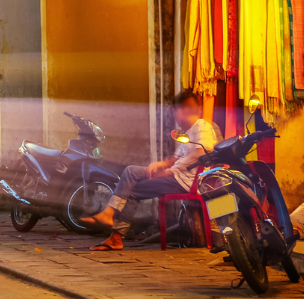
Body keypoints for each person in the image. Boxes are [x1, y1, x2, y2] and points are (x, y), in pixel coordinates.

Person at [86, 89, 218, 251]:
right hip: (175, 175)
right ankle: (109, 213)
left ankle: (115, 234)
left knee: (134, 190)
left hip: (184, 181)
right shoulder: (186, 133)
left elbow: (202, 152)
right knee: (131, 171)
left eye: (176, 111)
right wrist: (160, 165)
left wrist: (171, 170)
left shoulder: (201, 126)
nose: (176, 117)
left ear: (183, 111)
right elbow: (175, 159)